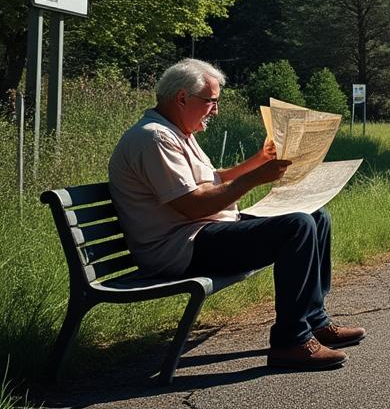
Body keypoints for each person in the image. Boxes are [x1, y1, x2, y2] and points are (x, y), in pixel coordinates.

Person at [108, 58, 364, 371]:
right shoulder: (154, 138)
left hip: (203, 233)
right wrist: (255, 178)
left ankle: (314, 319)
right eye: (211, 101)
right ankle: (290, 342)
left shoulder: (177, 133)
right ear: (182, 98)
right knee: (296, 227)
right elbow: (192, 205)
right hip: (181, 247)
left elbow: (211, 181)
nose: (214, 110)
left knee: (314, 215)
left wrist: (258, 161)